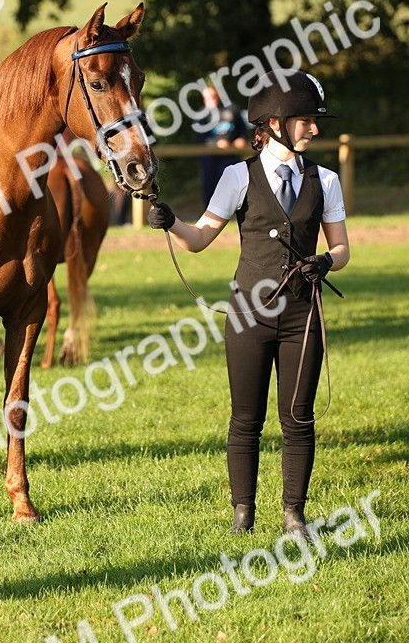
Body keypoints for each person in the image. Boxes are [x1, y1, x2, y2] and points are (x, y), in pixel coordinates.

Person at [148, 71, 350, 538]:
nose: (314, 129)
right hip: (247, 315)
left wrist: (326, 262)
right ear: (275, 123)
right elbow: (199, 239)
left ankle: (294, 515)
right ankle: (244, 513)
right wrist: (171, 221)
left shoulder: (327, 181)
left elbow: (342, 249)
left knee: (298, 417)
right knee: (246, 419)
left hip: (303, 314)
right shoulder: (237, 177)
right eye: (306, 121)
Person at [198, 84, 249, 207]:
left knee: (230, 183)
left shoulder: (232, 109)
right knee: (210, 184)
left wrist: (241, 138)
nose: (211, 100)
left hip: (230, 155)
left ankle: (232, 210)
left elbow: (243, 129)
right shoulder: (201, 116)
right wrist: (216, 143)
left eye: (213, 97)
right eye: (207, 98)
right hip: (209, 157)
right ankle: (209, 212)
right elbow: (200, 138)